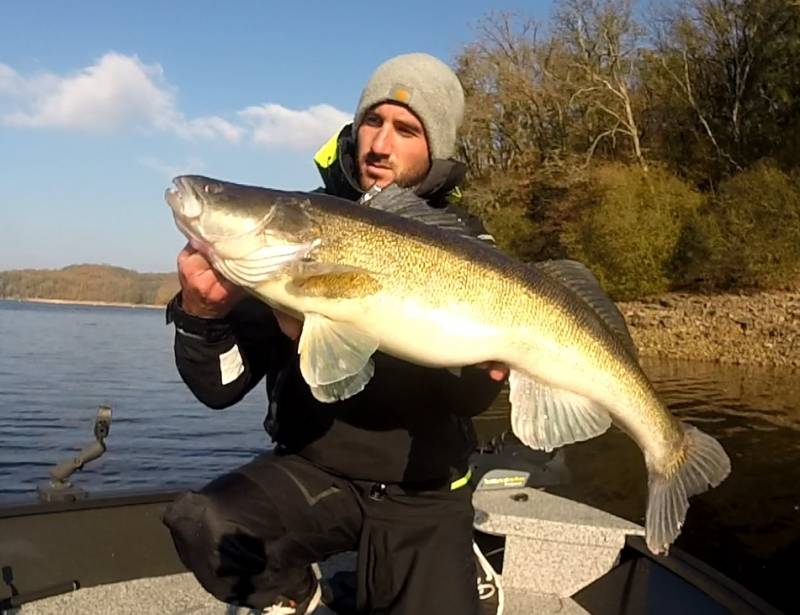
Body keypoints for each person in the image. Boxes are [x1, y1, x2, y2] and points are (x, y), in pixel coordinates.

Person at [163, 53, 507, 615]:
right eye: (373, 121)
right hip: (317, 475)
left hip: (422, 491)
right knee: (205, 525)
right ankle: (300, 593)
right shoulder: (292, 232)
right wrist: (202, 316)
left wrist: (486, 368)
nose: (380, 143)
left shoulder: (471, 247)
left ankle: (457, 564)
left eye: (406, 129)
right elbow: (220, 387)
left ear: (436, 146)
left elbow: (468, 395)